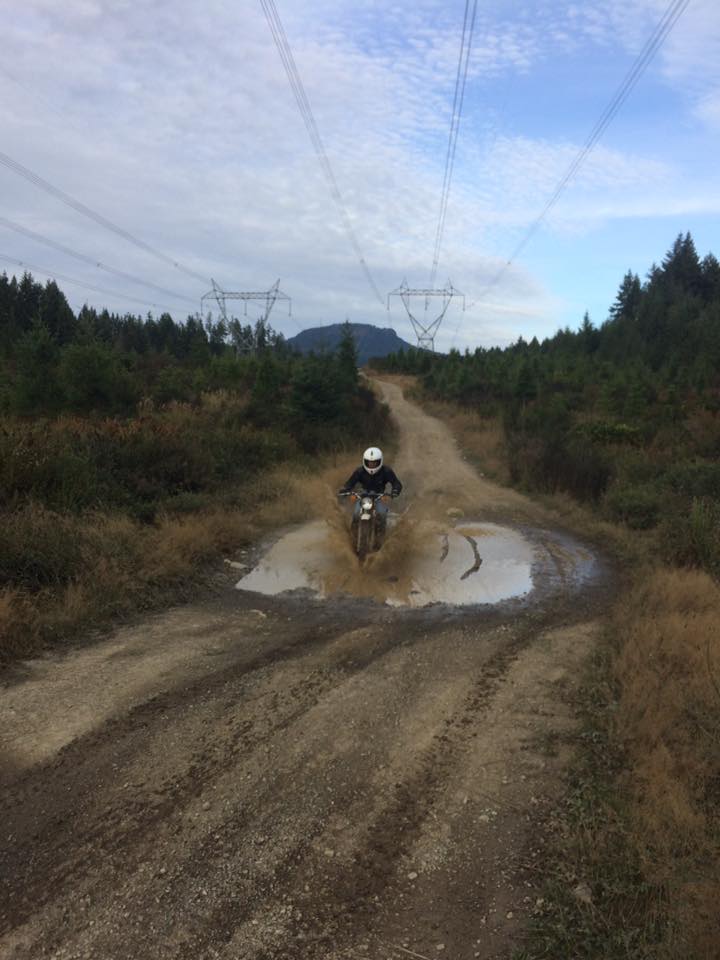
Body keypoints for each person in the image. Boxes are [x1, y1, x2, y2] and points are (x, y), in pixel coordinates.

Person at [338, 447, 402, 532]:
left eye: (374, 463)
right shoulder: (360, 471)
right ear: (365, 461)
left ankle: (382, 534)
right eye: (369, 462)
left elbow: (396, 483)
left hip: (379, 496)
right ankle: (352, 536)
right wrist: (345, 490)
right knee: (356, 514)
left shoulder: (386, 471)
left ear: (380, 461)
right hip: (363, 496)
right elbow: (350, 483)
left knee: (382, 514)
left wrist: (395, 491)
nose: (372, 465)